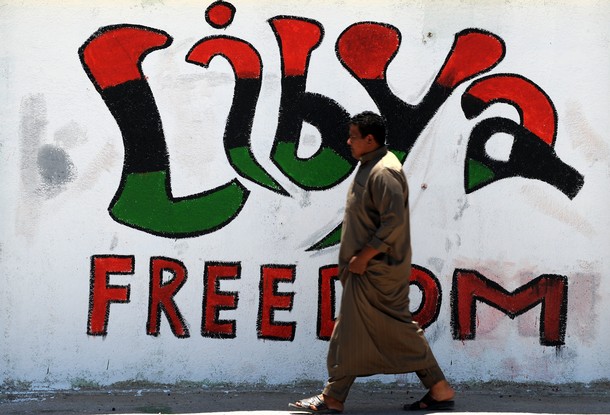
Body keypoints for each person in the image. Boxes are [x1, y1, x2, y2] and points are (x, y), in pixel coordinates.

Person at [290, 111, 455, 413]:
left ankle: (333, 397)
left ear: (370, 139)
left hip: (376, 270)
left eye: (353, 136)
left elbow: (393, 224)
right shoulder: (371, 166)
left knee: (357, 331)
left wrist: (363, 258)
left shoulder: (383, 172)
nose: (348, 141)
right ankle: (438, 387)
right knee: (366, 331)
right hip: (371, 270)